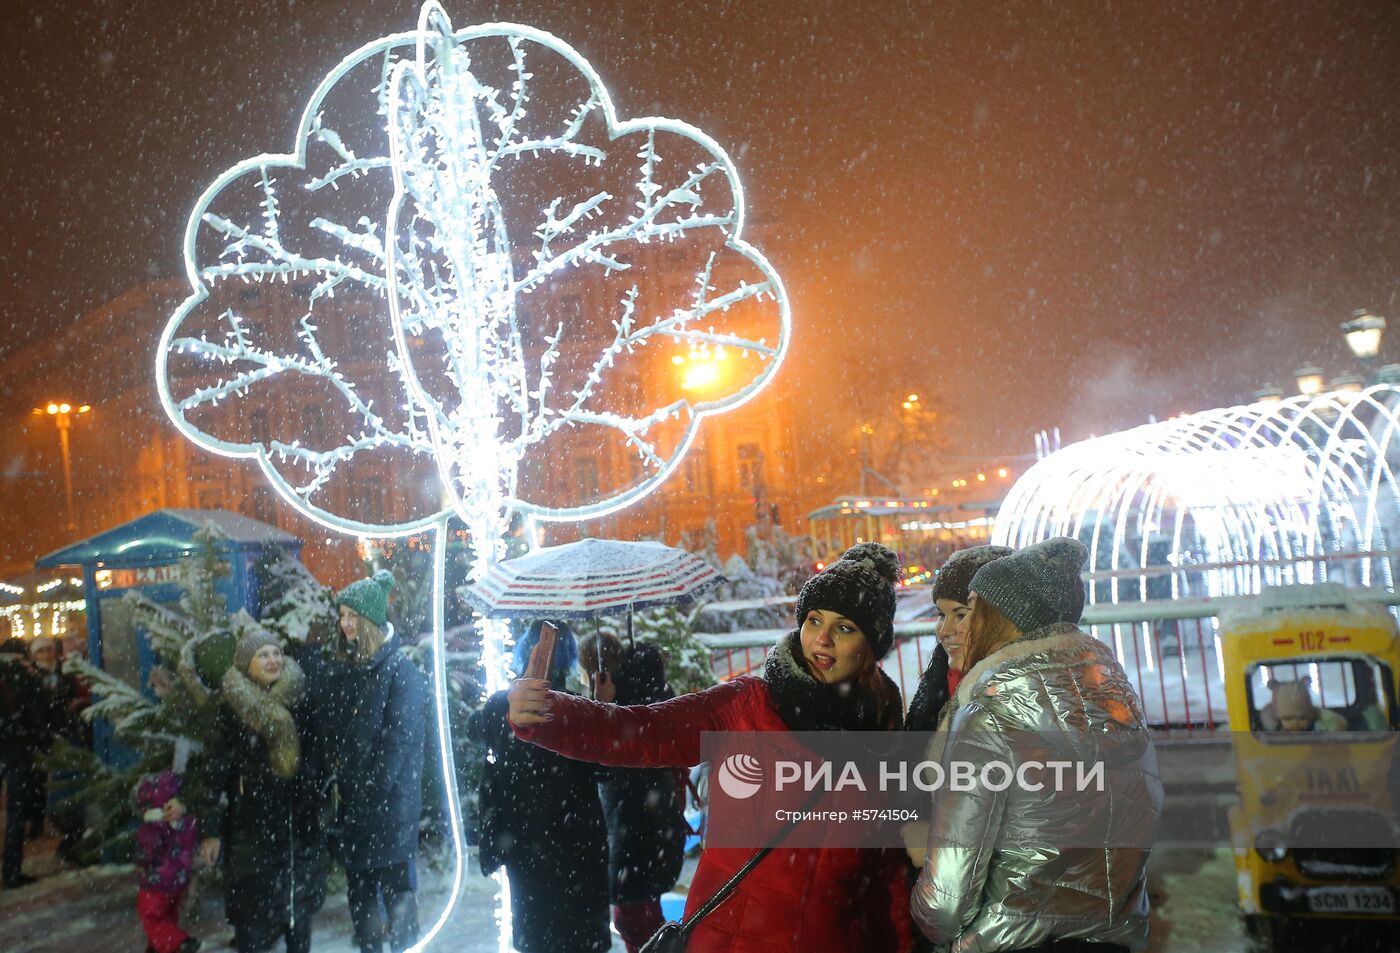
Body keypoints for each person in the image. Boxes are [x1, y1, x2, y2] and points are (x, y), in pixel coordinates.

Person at [509, 543, 914, 953]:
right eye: (814, 621)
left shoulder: (883, 741)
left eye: (844, 628)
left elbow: (885, 885)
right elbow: (643, 732)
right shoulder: (747, 706)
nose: (822, 639)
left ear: (871, 647)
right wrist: (551, 713)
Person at [912, 537, 1163, 952]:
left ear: (1002, 618)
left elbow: (947, 897)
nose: (958, 626)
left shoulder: (988, 715)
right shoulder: (1121, 708)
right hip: (1112, 940)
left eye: (972, 608)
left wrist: (925, 923)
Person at [471, 620, 611, 953]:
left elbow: (474, 731)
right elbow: (605, 769)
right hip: (579, 843)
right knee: (580, 941)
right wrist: (604, 706)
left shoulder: (502, 706)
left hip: (525, 844)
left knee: (536, 936)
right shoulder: (580, 708)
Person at [198, 628, 326, 953]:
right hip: (249, 832)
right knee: (251, 926)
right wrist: (211, 830)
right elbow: (213, 772)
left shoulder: (302, 700)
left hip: (296, 828)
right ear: (245, 664)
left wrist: (317, 799)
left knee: (297, 920)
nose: (273, 660)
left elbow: (319, 759)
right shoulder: (228, 709)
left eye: (275, 653)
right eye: (263, 655)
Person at [325, 570, 427, 953]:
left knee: (397, 901)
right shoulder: (353, 668)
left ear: (369, 618)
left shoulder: (400, 672)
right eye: (342, 616)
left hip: (388, 812)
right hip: (358, 812)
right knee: (363, 904)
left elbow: (398, 743)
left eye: (352, 616)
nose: (345, 624)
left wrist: (368, 794)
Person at [578, 628, 688, 953]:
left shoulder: (618, 711)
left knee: (635, 923)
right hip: (655, 827)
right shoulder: (650, 695)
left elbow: (602, 766)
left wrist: (602, 711)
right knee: (645, 919)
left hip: (633, 831)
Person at [904, 546, 1012, 734]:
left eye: (961, 614)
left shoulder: (1025, 698)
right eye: (941, 614)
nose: (945, 630)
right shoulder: (936, 683)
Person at [134, 771, 201, 953]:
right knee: (168, 916)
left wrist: (141, 862)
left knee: (151, 917)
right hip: (178, 880)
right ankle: (159, 947)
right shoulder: (187, 822)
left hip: (155, 882)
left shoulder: (153, 825)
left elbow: (147, 851)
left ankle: (179, 943)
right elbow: (191, 845)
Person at [0, 637, 48, 888]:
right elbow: (39, 712)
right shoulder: (25, 676)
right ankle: (11, 871)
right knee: (16, 812)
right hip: (17, 748)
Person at [1264, 678, 1349, 732]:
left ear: (1310, 715)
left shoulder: (1318, 728)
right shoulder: (1275, 732)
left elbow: (1338, 724)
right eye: (1288, 719)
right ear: (1278, 719)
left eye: (1302, 718)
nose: (1296, 723)